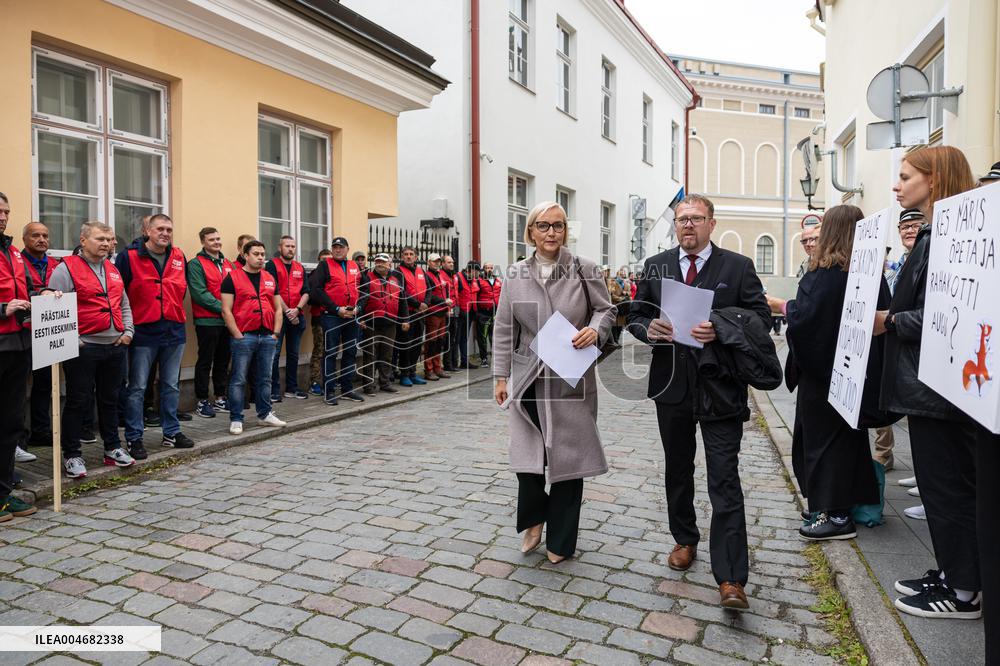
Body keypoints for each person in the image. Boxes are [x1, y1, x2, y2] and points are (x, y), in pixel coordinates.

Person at [627, 193, 771, 610]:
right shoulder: (657, 265)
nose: (687, 225)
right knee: (678, 468)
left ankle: (731, 578)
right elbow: (635, 315)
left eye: (695, 218)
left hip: (720, 387)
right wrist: (648, 329)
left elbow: (761, 319)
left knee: (724, 477)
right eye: (681, 219)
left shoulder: (738, 266)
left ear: (711, 223)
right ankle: (684, 538)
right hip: (671, 385)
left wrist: (721, 328)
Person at [873, 145, 981, 620]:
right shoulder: (937, 233)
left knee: (948, 487)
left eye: (905, 177)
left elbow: (947, 312)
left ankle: (963, 592)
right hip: (929, 383)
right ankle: (954, 571)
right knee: (942, 487)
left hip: (938, 387)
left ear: (934, 180)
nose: (897, 186)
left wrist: (891, 321)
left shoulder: (949, 238)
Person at [492, 201, 613, 563]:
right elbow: (504, 326)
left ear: (565, 231)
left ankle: (561, 540)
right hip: (528, 374)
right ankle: (534, 518)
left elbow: (605, 309)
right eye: (543, 226)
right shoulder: (516, 273)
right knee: (527, 455)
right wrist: (500, 375)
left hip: (570, 375)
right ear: (530, 231)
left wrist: (596, 330)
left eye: (558, 225)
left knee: (569, 457)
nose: (551, 232)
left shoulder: (584, 268)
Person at [776, 206, 884, 540]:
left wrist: (782, 306)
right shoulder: (866, 271)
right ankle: (836, 506)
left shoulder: (827, 272)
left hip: (824, 376)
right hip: (854, 372)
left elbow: (807, 319)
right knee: (847, 441)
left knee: (824, 445)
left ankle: (835, 515)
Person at [49, 222, 135, 477]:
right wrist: (74, 339)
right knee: (78, 400)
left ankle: (112, 447)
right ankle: (72, 454)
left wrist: (128, 333)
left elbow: (123, 304)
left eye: (109, 239)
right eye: (100, 239)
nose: (106, 244)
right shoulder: (65, 269)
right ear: (83, 240)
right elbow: (55, 307)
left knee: (110, 400)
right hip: (85, 347)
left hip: (115, 346)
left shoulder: (112, 269)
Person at [116, 213, 195, 459]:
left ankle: (171, 432)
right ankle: (134, 437)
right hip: (143, 331)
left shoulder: (179, 256)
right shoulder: (128, 257)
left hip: (173, 329)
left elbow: (181, 289)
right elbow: (119, 294)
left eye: (169, 230)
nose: (165, 233)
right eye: (160, 229)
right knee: (137, 387)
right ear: (147, 231)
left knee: (171, 385)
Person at [0, 192, 41, 521]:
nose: (3, 217)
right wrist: (3, 308)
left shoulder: (13, 251)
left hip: (18, 347)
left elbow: (27, 288)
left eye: (6, 211)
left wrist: (45, 294)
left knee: (11, 421)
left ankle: (3, 493)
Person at [876, 208, 924, 483]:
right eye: (904, 227)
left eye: (915, 225)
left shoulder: (925, 257)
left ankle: (927, 478)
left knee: (923, 414)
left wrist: (890, 320)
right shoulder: (901, 263)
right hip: (896, 339)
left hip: (915, 343)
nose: (909, 230)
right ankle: (922, 474)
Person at [220, 240, 286, 434]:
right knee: (238, 379)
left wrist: (275, 333)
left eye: (262, 254)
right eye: (256, 254)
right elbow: (226, 310)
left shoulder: (269, 278)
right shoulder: (232, 278)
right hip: (244, 336)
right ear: (245, 255)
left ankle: (265, 414)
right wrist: (237, 335)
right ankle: (236, 418)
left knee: (265, 378)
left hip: (267, 336)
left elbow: (277, 308)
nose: (260, 258)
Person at [20, 222, 63, 454]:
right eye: (35, 235)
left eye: (45, 235)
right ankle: (18, 438)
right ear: (25, 238)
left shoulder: (56, 264)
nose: (41, 239)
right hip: (23, 332)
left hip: (48, 332)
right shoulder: (17, 262)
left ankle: (41, 430)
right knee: (18, 388)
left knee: (45, 383)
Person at [309, 236, 364, 404]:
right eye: (335, 247)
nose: (338, 250)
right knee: (331, 353)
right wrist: (336, 309)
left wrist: (358, 308)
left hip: (352, 316)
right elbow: (317, 290)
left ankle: (347, 389)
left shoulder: (355, 266)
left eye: (341, 247)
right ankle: (329, 391)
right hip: (332, 316)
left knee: (350, 352)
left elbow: (364, 289)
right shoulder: (324, 265)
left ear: (347, 249)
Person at [187, 227, 234, 419]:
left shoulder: (229, 264)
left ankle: (220, 398)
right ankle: (202, 401)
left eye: (218, 238)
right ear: (203, 242)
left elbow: (237, 289)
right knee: (205, 361)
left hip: (227, 322)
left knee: (223, 361)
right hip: (207, 321)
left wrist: (231, 312)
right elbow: (200, 293)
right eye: (212, 239)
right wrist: (225, 309)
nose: (216, 242)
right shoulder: (196, 264)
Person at [357, 253, 409, 394]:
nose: (379, 264)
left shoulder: (396, 279)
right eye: (377, 261)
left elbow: (403, 301)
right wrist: (360, 318)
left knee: (387, 355)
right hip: (371, 322)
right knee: (370, 355)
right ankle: (368, 385)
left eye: (383, 262)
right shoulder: (367, 278)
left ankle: (385, 383)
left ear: (389, 264)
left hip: (390, 322)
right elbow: (361, 299)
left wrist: (405, 319)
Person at [266, 236, 309, 402]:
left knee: (293, 354)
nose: (290, 249)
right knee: (275, 354)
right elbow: (272, 290)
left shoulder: (300, 267)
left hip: (297, 315)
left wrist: (297, 310)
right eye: (287, 246)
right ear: (280, 247)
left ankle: (292, 388)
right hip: (278, 316)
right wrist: (288, 313)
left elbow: (306, 291)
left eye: (293, 246)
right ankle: (274, 391)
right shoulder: (272, 265)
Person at [396, 246, 430, 386]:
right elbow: (402, 292)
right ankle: (404, 374)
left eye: (411, 254)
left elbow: (429, 289)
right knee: (406, 345)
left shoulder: (421, 271)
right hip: (407, 313)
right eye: (406, 254)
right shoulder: (398, 272)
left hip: (420, 313)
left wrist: (425, 303)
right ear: (401, 256)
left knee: (417, 344)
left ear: (416, 257)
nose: (408, 256)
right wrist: (417, 304)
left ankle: (412, 373)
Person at [422, 253, 453, 381]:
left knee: (440, 341)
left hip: (442, 312)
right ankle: (429, 369)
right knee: (431, 342)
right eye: (434, 261)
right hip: (433, 313)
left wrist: (447, 307)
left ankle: (437, 367)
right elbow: (429, 295)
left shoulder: (439, 274)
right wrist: (444, 302)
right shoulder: (426, 275)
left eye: (438, 261)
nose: (437, 263)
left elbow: (445, 291)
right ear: (428, 262)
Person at [309, 249, 332, 395]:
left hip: (334, 317)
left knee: (332, 350)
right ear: (318, 260)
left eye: (329, 259)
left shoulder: (334, 274)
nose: (326, 262)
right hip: (319, 317)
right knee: (319, 349)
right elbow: (312, 297)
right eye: (323, 259)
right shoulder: (314, 276)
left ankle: (329, 380)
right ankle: (315, 381)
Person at [449, 257, 473, 370]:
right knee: (456, 338)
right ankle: (454, 362)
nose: (477, 275)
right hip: (458, 313)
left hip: (468, 312)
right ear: (470, 270)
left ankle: (464, 361)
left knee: (464, 338)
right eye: (475, 272)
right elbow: (455, 295)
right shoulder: (458, 277)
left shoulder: (472, 279)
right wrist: (457, 312)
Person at [471, 262, 494, 367]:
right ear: (483, 269)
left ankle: (496, 358)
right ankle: (484, 359)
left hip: (495, 313)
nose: (489, 269)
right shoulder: (478, 281)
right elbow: (474, 296)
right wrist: (476, 312)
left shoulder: (497, 280)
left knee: (494, 337)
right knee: (482, 337)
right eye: (487, 268)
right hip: (483, 313)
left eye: (491, 268)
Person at [441, 255, 459, 372]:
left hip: (455, 309)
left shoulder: (454, 275)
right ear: (443, 264)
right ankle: (447, 364)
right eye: (449, 262)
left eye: (452, 262)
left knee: (453, 337)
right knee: (447, 338)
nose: (451, 264)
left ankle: (452, 362)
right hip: (446, 310)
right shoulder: (441, 275)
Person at [605, 265, 627, 344]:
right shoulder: (613, 282)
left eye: (623, 274)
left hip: (622, 307)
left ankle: (617, 339)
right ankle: (615, 340)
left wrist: (626, 293)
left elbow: (629, 292)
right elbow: (612, 294)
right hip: (615, 305)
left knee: (620, 324)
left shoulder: (625, 283)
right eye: (620, 274)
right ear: (617, 275)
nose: (622, 276)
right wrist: (621, 299)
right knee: (614, 324)